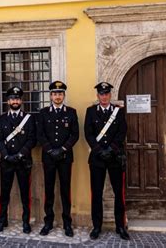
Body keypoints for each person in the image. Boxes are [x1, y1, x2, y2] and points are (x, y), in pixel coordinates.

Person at [84, 82, 130, 240]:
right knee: (96, 194)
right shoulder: (91, 111)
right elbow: (88, 133)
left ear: (110, 95)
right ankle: (97, 226)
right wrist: (99, 150)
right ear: (97, 96)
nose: (104, 96)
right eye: (101, 94)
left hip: (114, 158)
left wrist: (112, 149)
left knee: (119, 194)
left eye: (106, 94)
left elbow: (122, 131)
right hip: (97, 159)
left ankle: (120, 226)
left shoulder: (118, 112)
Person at [37, 81, 79, 237]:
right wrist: (50, 150)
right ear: (50, 96)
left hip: (65, 157)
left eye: (60, 94)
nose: (57, 96)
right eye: (55, 94)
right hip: (48, 158)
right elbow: (40, 135)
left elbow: (75, 135)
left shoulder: (71, 112)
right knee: (49, 190)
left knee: (65, 190)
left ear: (64, 96)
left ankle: (67, 222)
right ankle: (48, 221)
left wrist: (62, 149)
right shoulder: (43, 113)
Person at [0, 86, 36, 234]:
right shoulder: (2, 118)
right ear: (8, 101)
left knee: (25, 194)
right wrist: (6, 155)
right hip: (7, 162)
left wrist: (20, 154)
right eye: (12, 98)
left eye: (17, 98)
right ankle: (2, 220)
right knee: (4, 193)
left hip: (23, 162)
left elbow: (32, 139)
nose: (15, 101)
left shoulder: (29, 119)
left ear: (21, 101)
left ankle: (26, 222)